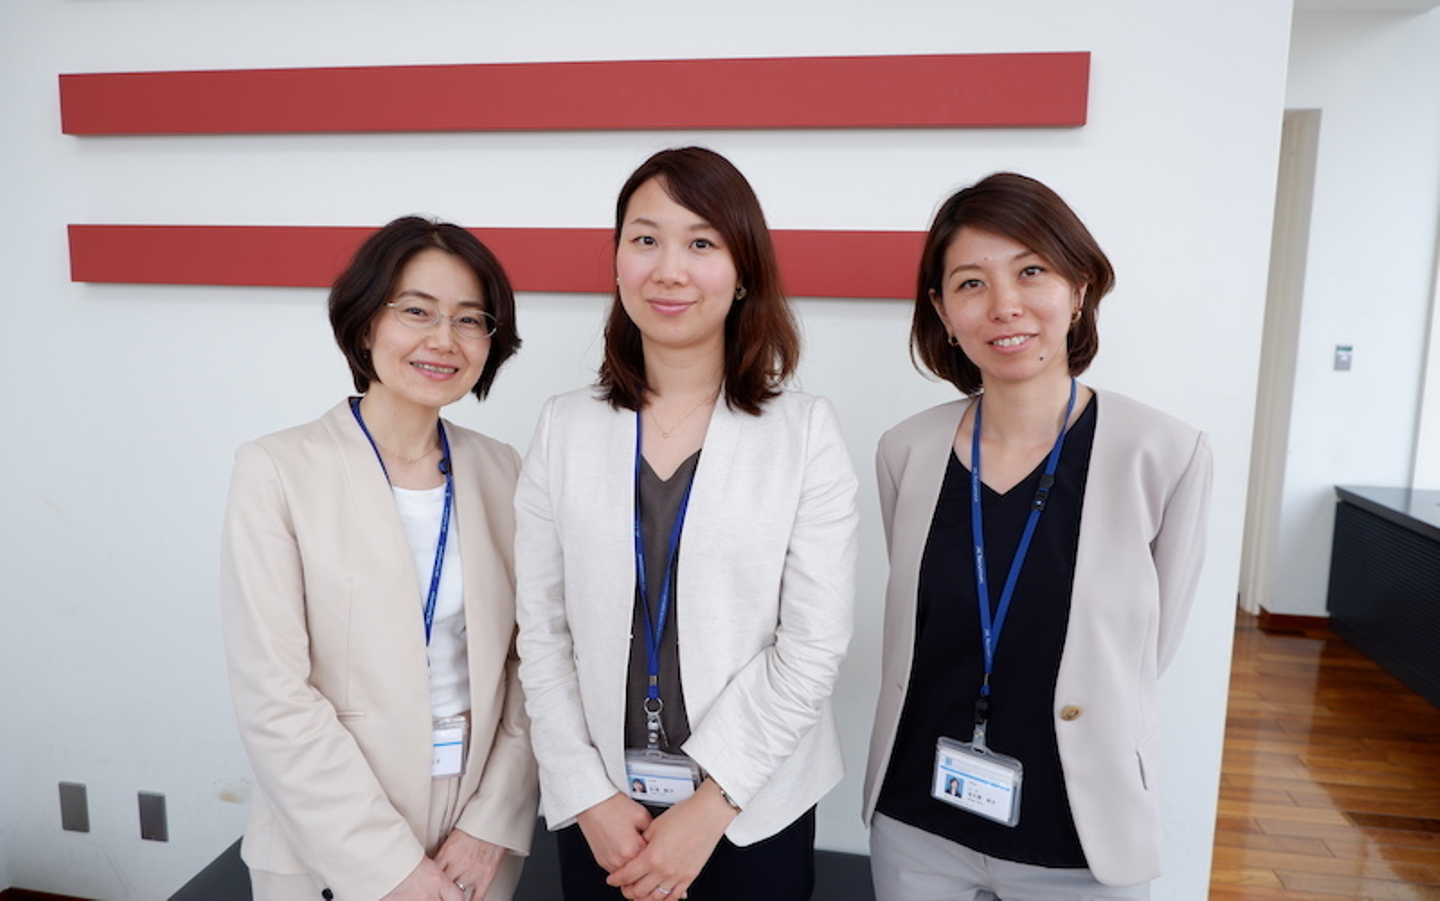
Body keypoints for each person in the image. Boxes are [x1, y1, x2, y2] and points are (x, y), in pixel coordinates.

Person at [515, 146, 859, 901]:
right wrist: (587, 794)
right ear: (616, 263)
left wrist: (711, 806)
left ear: (743, 272)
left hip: (751, 810)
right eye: (646, 239)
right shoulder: (563, 427)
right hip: (605, 813)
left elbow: (813, 643)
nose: (669, 270)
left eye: (701, 243)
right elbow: (541, 632)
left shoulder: (804, 432)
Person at [863, 173, 1212, 900]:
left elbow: (1145, 651)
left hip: (1080, 837)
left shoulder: (1164, 454)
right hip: (919, 826)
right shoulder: (906, 451)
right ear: (942, 310)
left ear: (1078, 288)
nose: (1005, 305)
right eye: (971, 283)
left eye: (1031, 271)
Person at [221, 217, 538, 901]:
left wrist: (491, 821)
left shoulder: (503, 470)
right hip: (325, 836)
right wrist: (388, 865)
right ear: (366, 324)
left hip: (472, 834)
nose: (443, 339)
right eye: (417, 311)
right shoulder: (277, 469)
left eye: (469, 319)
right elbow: (274, 695)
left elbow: (533, 662)